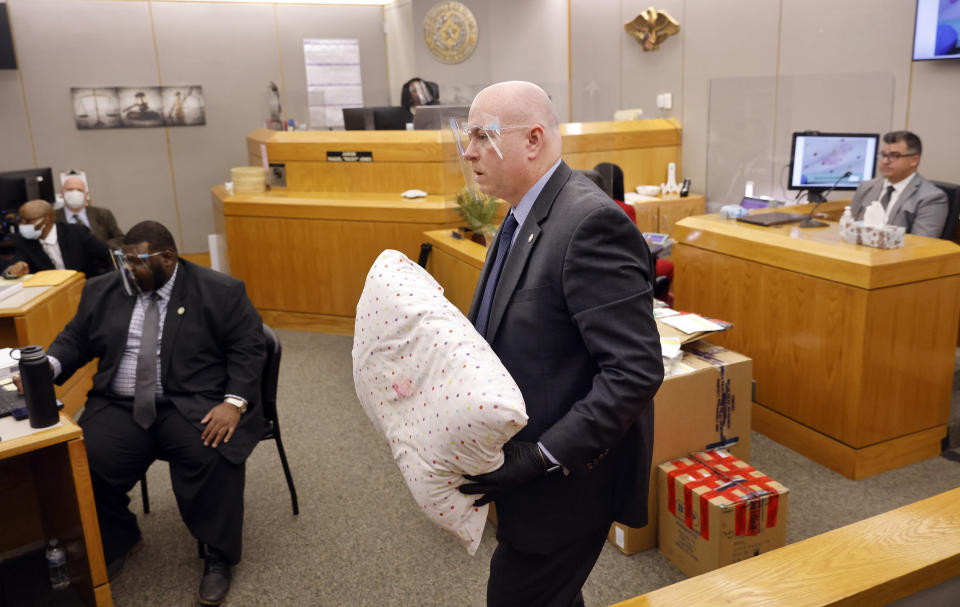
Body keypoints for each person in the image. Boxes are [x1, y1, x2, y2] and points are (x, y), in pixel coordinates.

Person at [457, 81, 663, 607]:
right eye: (467, 136)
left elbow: (634, 372)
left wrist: (543, 457)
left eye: (482, 135)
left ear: (532, 140)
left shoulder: (589, 223)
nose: (468, 150)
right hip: (525, 471)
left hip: (566, 480)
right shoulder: (521, 210)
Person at [45, 220, 265, 606]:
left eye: (136, 261)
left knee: (212, 452)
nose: (127, 269)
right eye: (123, 260)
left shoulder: (220, 291)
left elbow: (248, 350)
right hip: (120, 404)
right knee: (81, 459)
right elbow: (75, 338)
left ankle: (219, 556)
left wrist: (234, 403)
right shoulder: (103, 289)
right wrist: (49, 365)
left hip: (192, 402)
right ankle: (121, 537)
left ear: (167, 258)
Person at [849, 131, 948, 238]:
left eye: (894, 155)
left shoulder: (931, 197)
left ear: (914, 160)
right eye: (883, 155)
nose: (885, 161)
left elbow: (922, 243)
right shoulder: (866, 187)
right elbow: (848, 227)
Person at [3, 199, 111, 278]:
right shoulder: (24, 241)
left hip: (86, 287)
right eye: (20, 220)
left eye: (27, 221)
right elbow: (10, 269)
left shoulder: (77, 233)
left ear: (46, 220)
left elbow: (112, 254)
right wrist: (13, 270)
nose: (22, 225)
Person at [56, 176, 125, 247]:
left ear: (86, 194)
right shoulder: (52, 217)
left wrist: (103, 247)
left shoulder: (103, 214)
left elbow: (119, 238)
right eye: (70, 189)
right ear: (62, 193)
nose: (75, 193)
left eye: (79, 190)